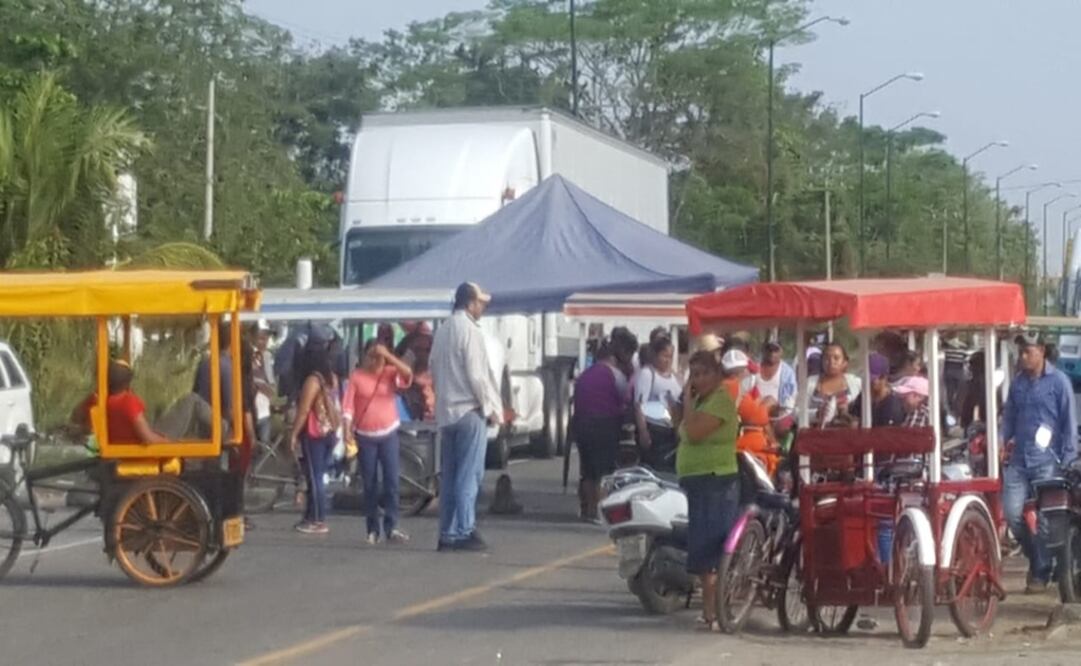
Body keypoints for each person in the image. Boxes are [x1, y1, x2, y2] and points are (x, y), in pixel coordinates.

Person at [1002, 331, 1079, 593]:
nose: (1024, 357)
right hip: (1019, 460)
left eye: (1028, 351)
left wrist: (1069, 459)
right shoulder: (1018, 383)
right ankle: (1038, 561)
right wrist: (1002, 442)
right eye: (1021, 352)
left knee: (1046, 523)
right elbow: (1009, 417)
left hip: (1049, 461)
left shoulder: (1059, 382)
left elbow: (1069, 423)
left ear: (1042, 351)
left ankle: (1041, 570)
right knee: (1013, 515)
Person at [430, 282, 504, 552]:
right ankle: (464, 529)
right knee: (468, 475)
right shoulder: (469, 331)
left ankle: (447, 533)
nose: (483, 307)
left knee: (449, 476)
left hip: (447, 413)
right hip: (469, 410)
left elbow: (433, 369)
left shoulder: (443, 330)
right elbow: (477, 375)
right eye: (480, 302)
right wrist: (491, 408)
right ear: (470, 303)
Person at [676, 350, 741, 633]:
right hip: (697, 479)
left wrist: (688, 401)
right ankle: (708, 611)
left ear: (716, 375)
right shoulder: (703, 401)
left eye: (703, 373)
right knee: (701, 548)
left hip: (716, 480)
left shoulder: (721, 402)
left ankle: (715, 611)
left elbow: (693, 432)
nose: (698, 379)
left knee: (712, 547)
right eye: (694, 374)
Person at [343, 339, 414, 545]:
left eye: (379, 358)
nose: (375, 362)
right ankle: (372, 528)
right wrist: (347, 430)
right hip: (365, 436)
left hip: (388, 433)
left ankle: (391, 526)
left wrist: (389, 356)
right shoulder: (356, 377)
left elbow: (407, 374)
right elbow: (348, 407)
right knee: (370, 484)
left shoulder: (390, 372)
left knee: (391, 481)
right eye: (371, 357)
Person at [573, 329, 638, 521]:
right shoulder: (615, 375)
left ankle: (588, 509)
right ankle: (601, 511)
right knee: (604, 471)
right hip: (605, 424)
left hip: (581, 423)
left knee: (587, 471)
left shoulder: (585, 375)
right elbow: (627, 399)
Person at [289, 343, 341, 535]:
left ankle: (318, 519)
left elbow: (303, 412)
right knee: (316, 476)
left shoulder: (312, 380)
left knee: (314, 476)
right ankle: (311, 516)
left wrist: (293, 434)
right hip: (329, 432)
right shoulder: (332, 378)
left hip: (314, 433)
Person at [74, 360, 169, 445]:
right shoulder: (128, 402)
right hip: (131, 455)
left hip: (108, 455)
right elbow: (148, 438)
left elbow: (76, 416)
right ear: (127, 383)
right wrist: (170, 443)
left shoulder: (96, 400)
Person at [721, 349, 780, 479]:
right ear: (741, 371)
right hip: (743, 450)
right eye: (746, 370)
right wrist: (768, 404)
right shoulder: (732, 387)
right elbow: (759, 417)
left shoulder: (731, 388)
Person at [634, 336, 682, 470]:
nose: (668, 360)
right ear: (655, 355)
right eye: (664, 356)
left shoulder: (675, 376)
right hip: (655, 430)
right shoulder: (647, 374)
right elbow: (639, 405)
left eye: (670, 356)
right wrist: (643, 431)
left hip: (673, 430)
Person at [806, 342, 862, 427]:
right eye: (827, 358)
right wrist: (816, 414)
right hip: (816, 436)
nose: (831, 362)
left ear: (845, 362)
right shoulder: (810, 383)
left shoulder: (856, 383)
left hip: (849, 437)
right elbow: (794, 413)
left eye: (836, 358)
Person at [847, 353, 905, 427]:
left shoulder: (893, 405)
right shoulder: (863, 397)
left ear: (884, 377)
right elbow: (854, 418)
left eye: (872, 379)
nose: (869, 382)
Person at [756, 341, 797, 423]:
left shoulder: (788, 372)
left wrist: (781, 414)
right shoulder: (755, 368)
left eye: (775, 350)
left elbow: (791, 398)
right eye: (769, 350)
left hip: (778, 414)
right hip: (756, 409)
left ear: (781, 352)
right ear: (764, 351)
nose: (772, 353)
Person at [252, 322, 276, 445]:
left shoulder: (267, 356)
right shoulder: (249, 356)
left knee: (264, 443)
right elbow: (255, 381)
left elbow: (270, 380)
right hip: (252, 406)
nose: (265, 341)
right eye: (261, 338)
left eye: (266, 338)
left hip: (265, 406)